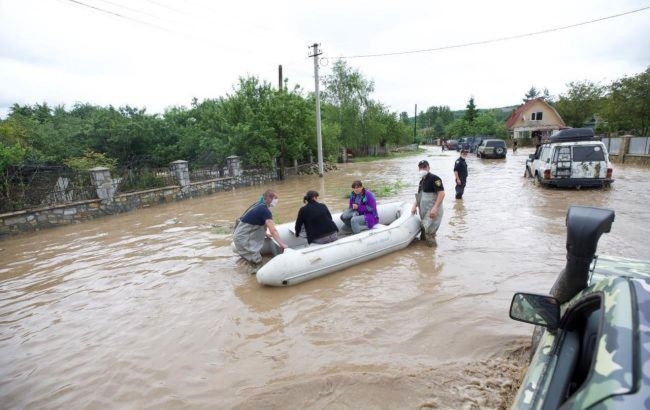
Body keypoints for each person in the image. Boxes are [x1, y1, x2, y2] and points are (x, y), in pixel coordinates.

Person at [233, 189, 288, 268]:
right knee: (257, 263)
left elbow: (254, 223)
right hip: (243, 239)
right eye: (275, 198)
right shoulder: (265, 211)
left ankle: (246, 264)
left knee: (250, 260)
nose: (276, 200)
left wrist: (265, 234)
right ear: (269, 198)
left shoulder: (259, 205)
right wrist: (282, 244)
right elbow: (273, 231)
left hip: (239, 236)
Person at [411, 160, 445, 246]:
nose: (422, 169)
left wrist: (435, 208)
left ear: (428, 168)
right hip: (424, 210)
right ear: (418, 169)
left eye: (424, 167)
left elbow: (441, 194)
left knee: (429, 233)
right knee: (423, 230)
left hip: (433, 209)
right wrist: (414, 206)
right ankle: (424, 254)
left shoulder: (435, 179)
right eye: (421, 167)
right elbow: (419, 195)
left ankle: (431, 255)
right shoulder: (422, 181)